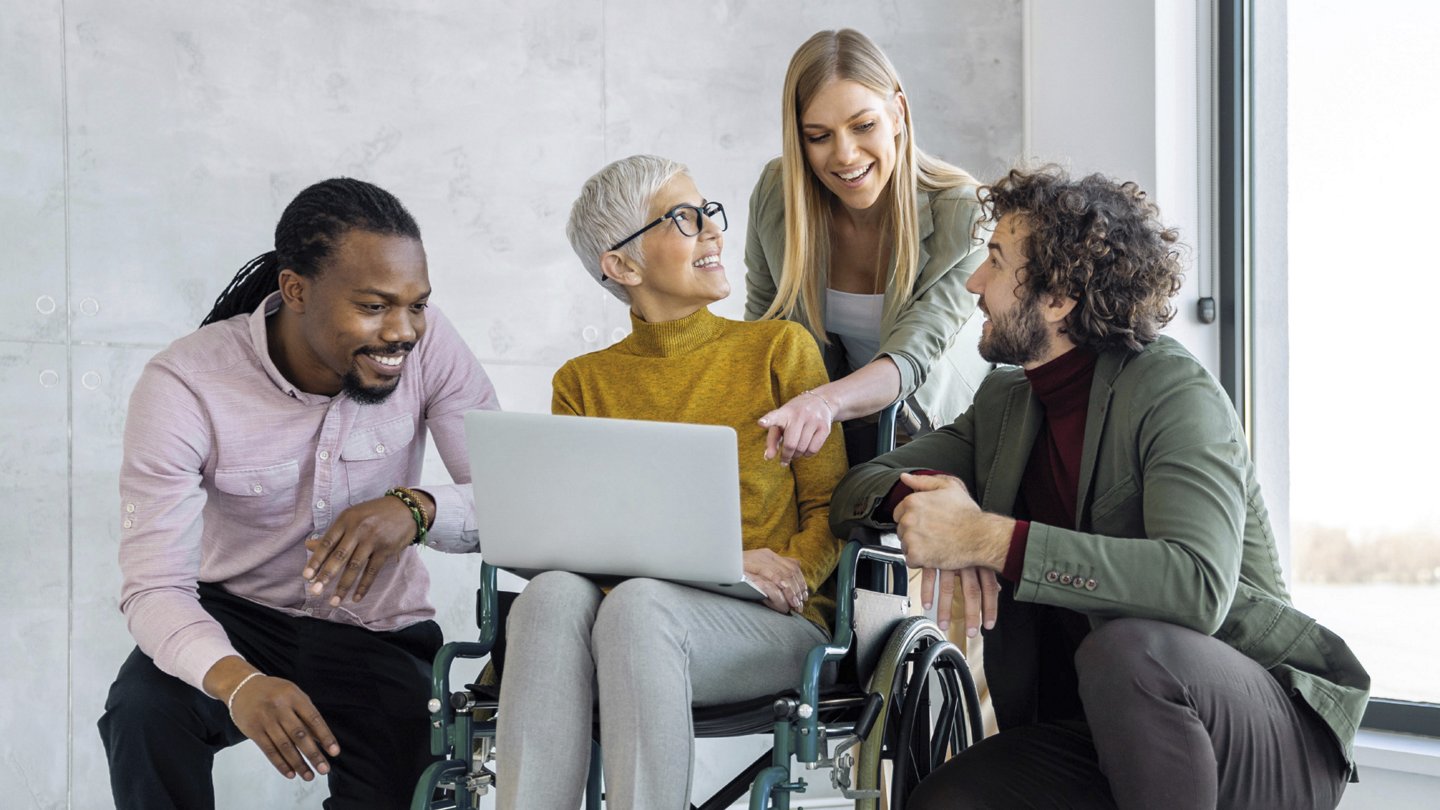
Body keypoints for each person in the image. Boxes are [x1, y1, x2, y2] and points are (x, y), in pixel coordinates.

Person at [831, 166, 1370, 809]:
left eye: (997, 263)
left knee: (1129, 651)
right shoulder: (1008, 399)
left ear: (1058, 297)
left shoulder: (1173, 391)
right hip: (1096, 730)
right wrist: (938, 516)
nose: (975, 283)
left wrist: (989, 539)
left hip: (1262, 733)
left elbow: (1195, 586)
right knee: (946, 800)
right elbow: (860, 486)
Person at [97, 178, 500, 809]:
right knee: (145, 712)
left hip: (377, 632)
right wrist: (238, 684)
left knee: (411, 779)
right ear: (296, 291)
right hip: (239, 617)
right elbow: (154, 589)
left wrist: (417, 509)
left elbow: (512, 502)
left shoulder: (431, 347)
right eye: (373, 306)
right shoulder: (184, 384)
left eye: (416, 304)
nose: (403, 332)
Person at [495, 155, 847, 809]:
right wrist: (720, 565)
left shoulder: (778, 350)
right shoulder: (582, 382)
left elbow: (831, 503)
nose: (713, 231)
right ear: (623, 265)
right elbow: (583, 541)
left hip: (769, 623)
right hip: (631, 622)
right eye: (684, 219)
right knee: (546, 596)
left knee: (637, 607)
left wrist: (789, 574)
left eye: (708, 211)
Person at [746, 27, 992, 467]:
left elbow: (914, 353)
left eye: (863, 126)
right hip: (835, 429)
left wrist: (821, 404)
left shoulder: (965, 214)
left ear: (897, 113)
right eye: (818, 136)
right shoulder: (776, 193)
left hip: (941, 435)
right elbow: (764, 331)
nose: (844, 155)